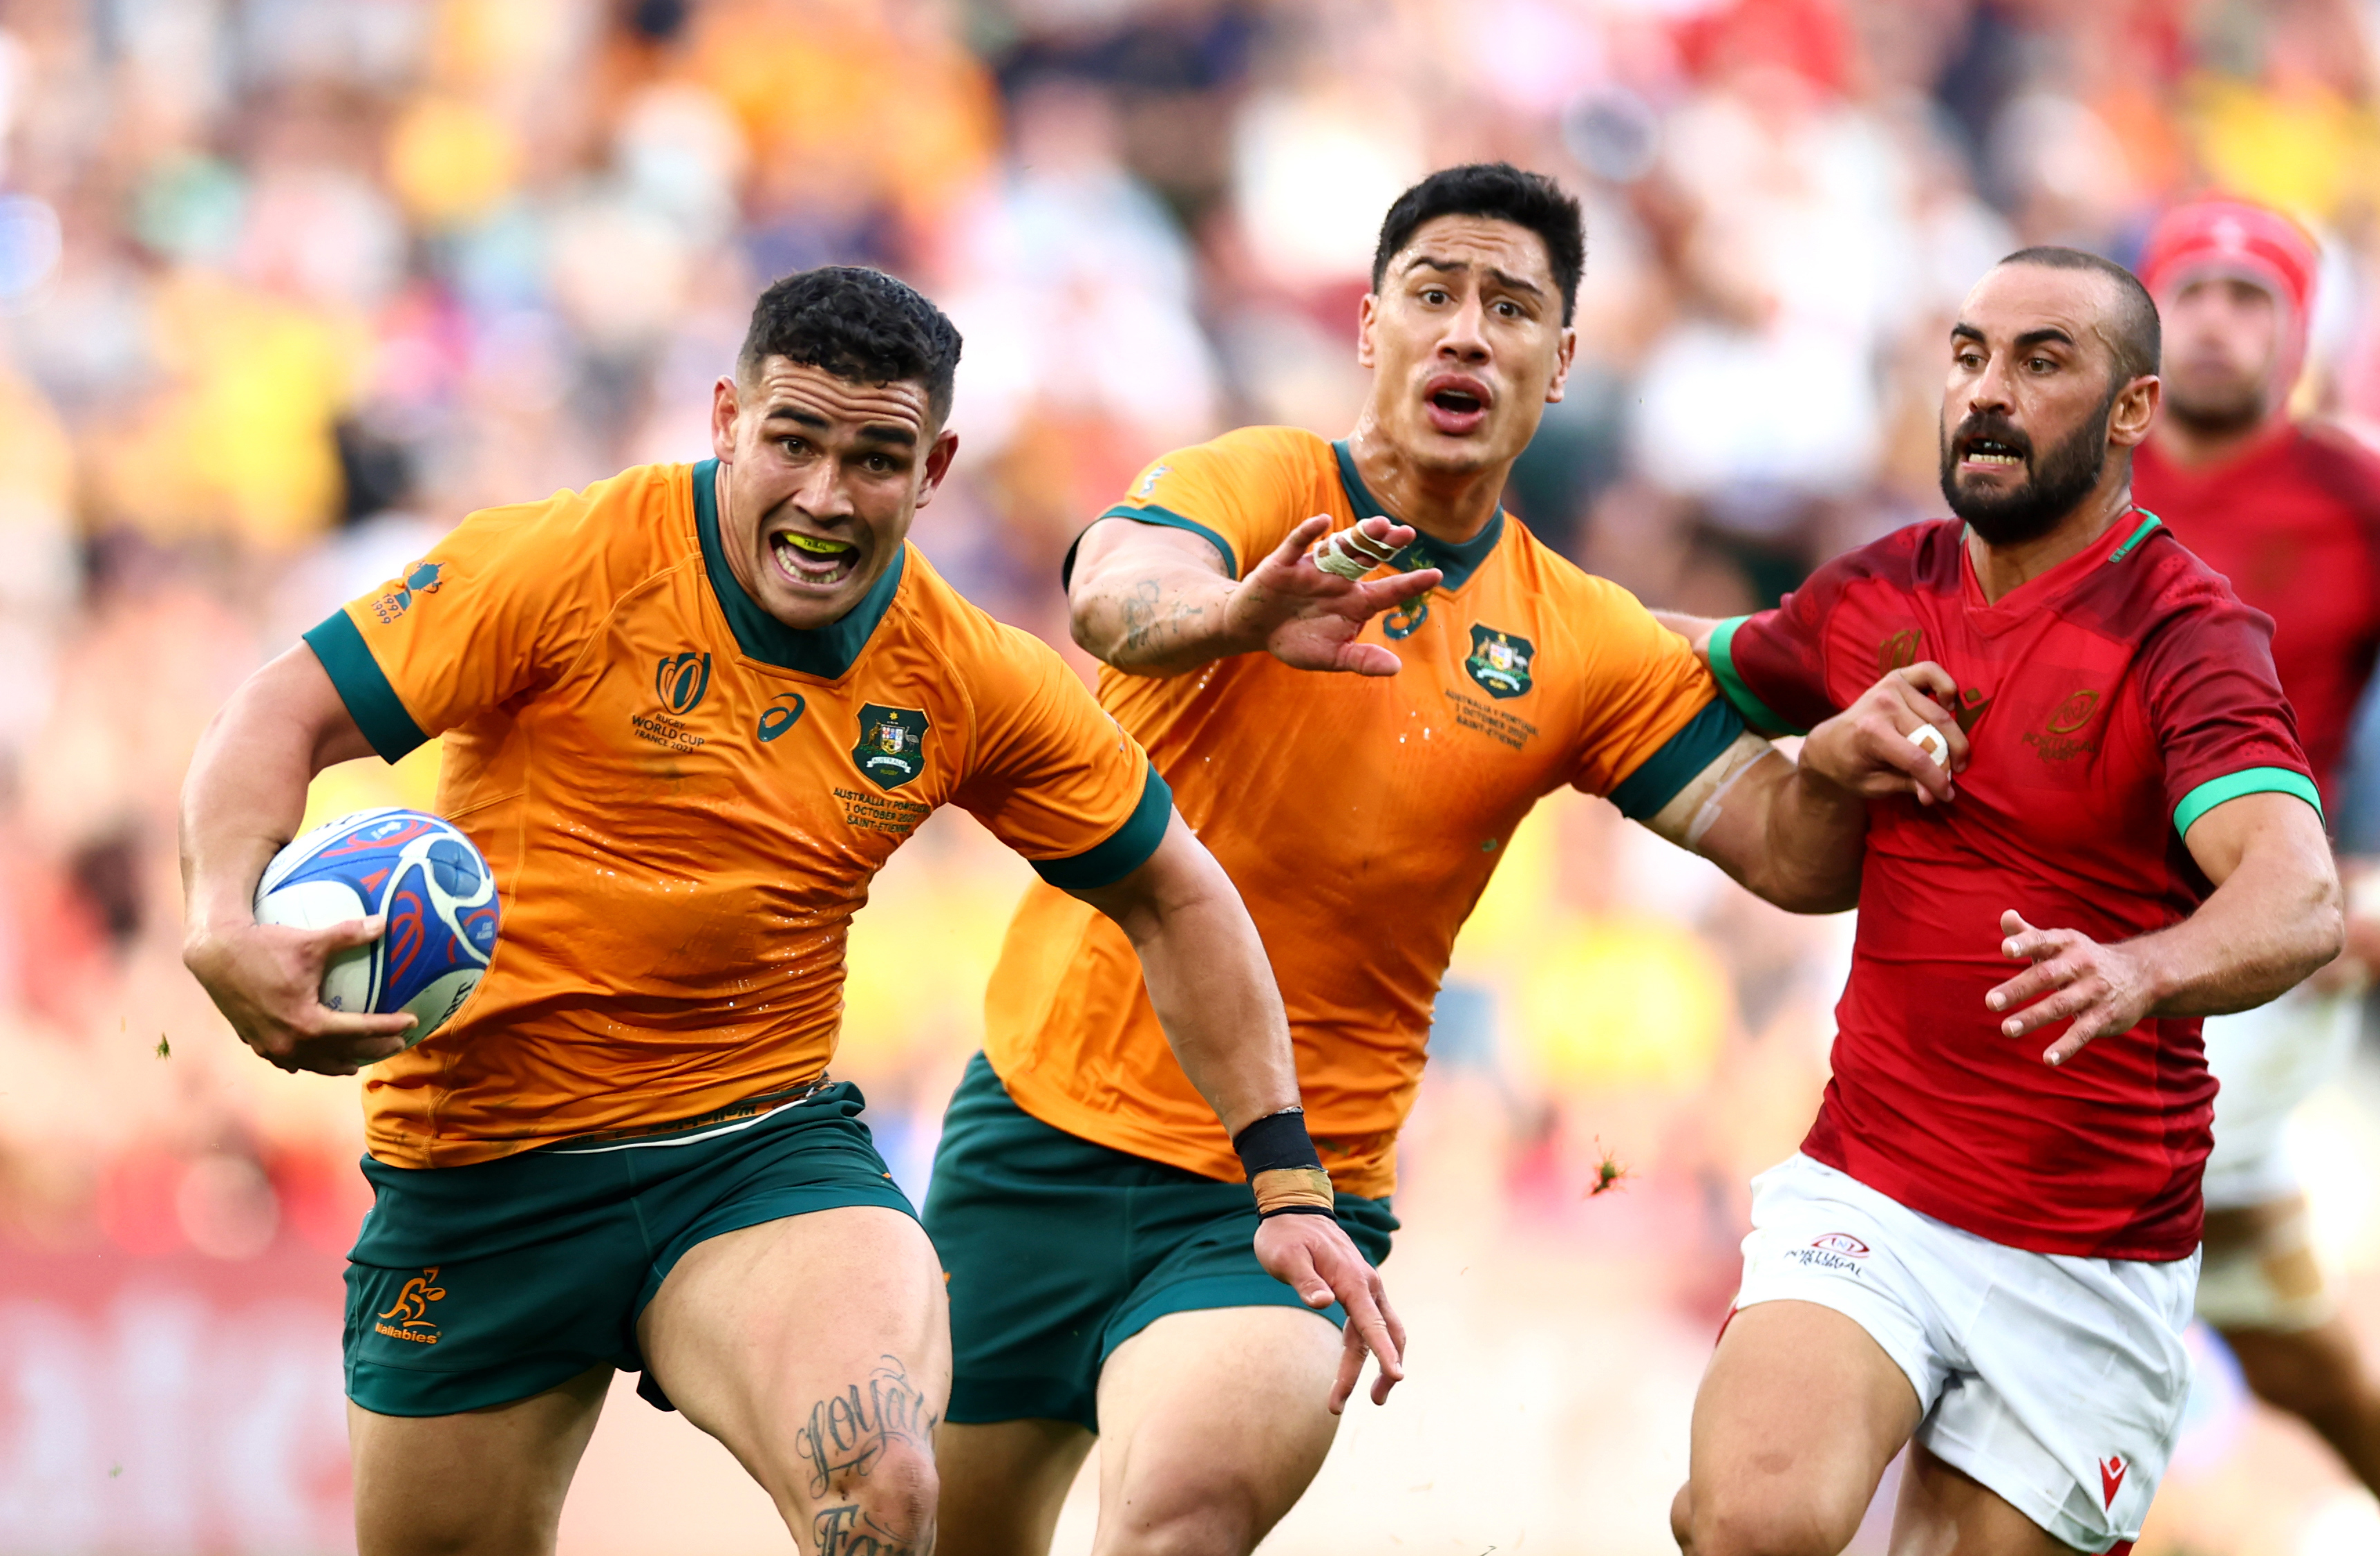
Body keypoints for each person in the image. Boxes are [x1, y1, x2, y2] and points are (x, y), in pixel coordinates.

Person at [177, 266, 1395, 1556]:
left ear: (935, 470)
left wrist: (1288, 1180)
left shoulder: (969, 672)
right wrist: (222, 919)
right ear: (725, 420)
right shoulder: (565, 562)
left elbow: (1176, 895)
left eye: (876, 458)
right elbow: (282, 709)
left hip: (751, 1156)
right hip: (483, 1172)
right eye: (793, 441)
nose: (825, 497)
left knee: (884, 1485)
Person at [928, 162, 1948, 1556]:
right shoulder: (1253, 485)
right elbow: (1112, 593)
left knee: (1179, 1516)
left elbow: (1784, 853)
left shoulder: (1579, 636)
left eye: (1512, 307)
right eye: (1434, 294)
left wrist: (1831, 764)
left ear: (1562, 363)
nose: (1467, 330)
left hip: (1285, 1193)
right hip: (1034, 1133)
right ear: (1370, 328)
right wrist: (1235, 615)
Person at [1656, 247, 2343, 1555]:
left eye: (2041, 363)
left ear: (2133, 409)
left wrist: (2143, 970)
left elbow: (2297, 895)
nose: (1988, 391)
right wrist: (1495, 602)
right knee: (1751, 1521)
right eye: (1970, 355)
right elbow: (1692, 656)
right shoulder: (1880, 595)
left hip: (2093, 1250)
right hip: (1875, 1189)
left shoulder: (2185, 635)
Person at [2132, 195, 2380, 1496]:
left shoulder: (2359, 495)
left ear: (2299, 330)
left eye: (2254, 297)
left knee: (2083, 1243)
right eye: (2196, 293)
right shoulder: (2068, 478)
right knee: (2281, 1345)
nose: (2221, 324)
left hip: (2263, 958)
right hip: (2060, 918)